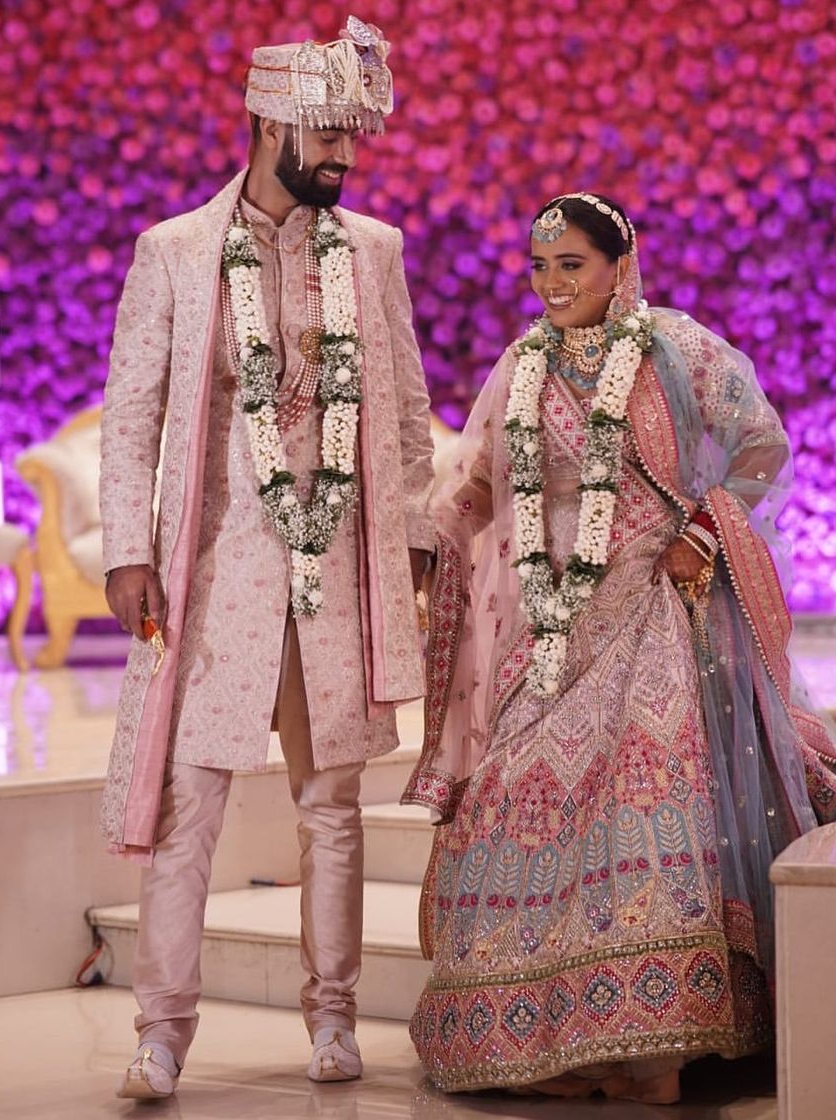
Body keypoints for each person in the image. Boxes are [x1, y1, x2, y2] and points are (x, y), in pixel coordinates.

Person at [402, 192, 836, 1104]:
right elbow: (477, 483)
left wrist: (704, 535)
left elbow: (760, 445)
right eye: (540, 267)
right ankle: (556, 1043)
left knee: (644, 793)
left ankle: (658, 1052)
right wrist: (423, 544)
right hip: (551, 626)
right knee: (518, 788)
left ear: (618, 265)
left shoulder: (674, 348)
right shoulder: (521, 366)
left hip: (653, 604)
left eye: (572, 265)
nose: (553, 284)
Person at [99, 16, 434, 1100]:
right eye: (325, 135)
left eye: (352, 137)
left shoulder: (372, 251)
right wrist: (129, 550)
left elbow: (408, 409)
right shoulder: (176, 252)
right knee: (187, 806)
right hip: (215, 575)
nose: (343, 156)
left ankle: (334, 1021)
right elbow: (131, 415)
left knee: (332, 806)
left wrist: (414, 539)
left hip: (333, 574)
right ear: (265, 123)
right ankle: (161, 1034)